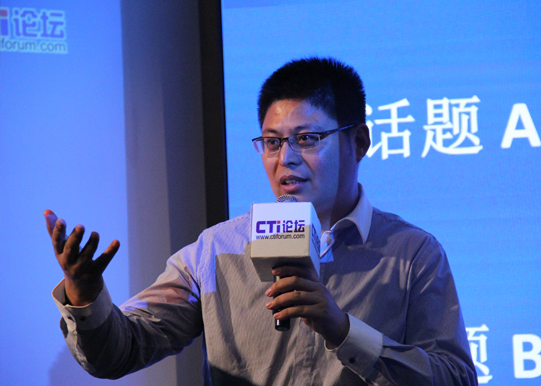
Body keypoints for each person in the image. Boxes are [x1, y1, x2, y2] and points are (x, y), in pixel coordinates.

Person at [47, 57, 477, 385]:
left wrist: (344, 330)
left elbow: (456, 378)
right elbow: (119, 353)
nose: (285, 158)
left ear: (358, 142)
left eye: (307, 138)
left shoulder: (412, 254)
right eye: (272, 142)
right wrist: (85, 296)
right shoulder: (216, 250)